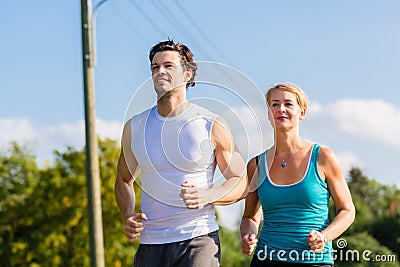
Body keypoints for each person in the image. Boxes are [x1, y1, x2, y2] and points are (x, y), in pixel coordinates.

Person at [115, 40, 248, 267]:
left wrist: (209, 195)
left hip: (197, 241)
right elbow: (123, 180)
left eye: (168, 66)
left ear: (187, 74)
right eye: (155, 67)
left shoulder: (211, 123)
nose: (160, 72)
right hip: (150, 244)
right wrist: (127, 213)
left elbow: (242, 181)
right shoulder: (135, 126)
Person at [240, 83, 355, 266]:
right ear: (269, 114)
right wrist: (248, 234)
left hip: (314, 260)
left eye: (288, 104)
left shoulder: (323, 157)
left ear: (302, 113)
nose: (281, 109)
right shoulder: (256, 165)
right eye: (275, 104)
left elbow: (347, 210)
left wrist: (324, 237)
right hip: (266, 259)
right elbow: (250, 217)